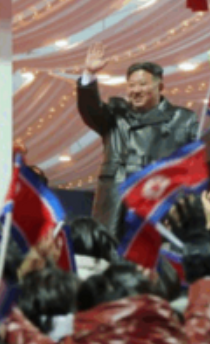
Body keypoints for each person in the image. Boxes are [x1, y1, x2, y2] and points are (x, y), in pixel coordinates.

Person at [77, 42, 198, 233]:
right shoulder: (115, 115)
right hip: (115, 199)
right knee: (109, 247)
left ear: (160, 86)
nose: (135, 90)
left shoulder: (182, 119)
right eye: (131, 85)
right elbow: (89, 109)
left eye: (142, 84)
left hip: (155, 199)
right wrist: (89, 74)